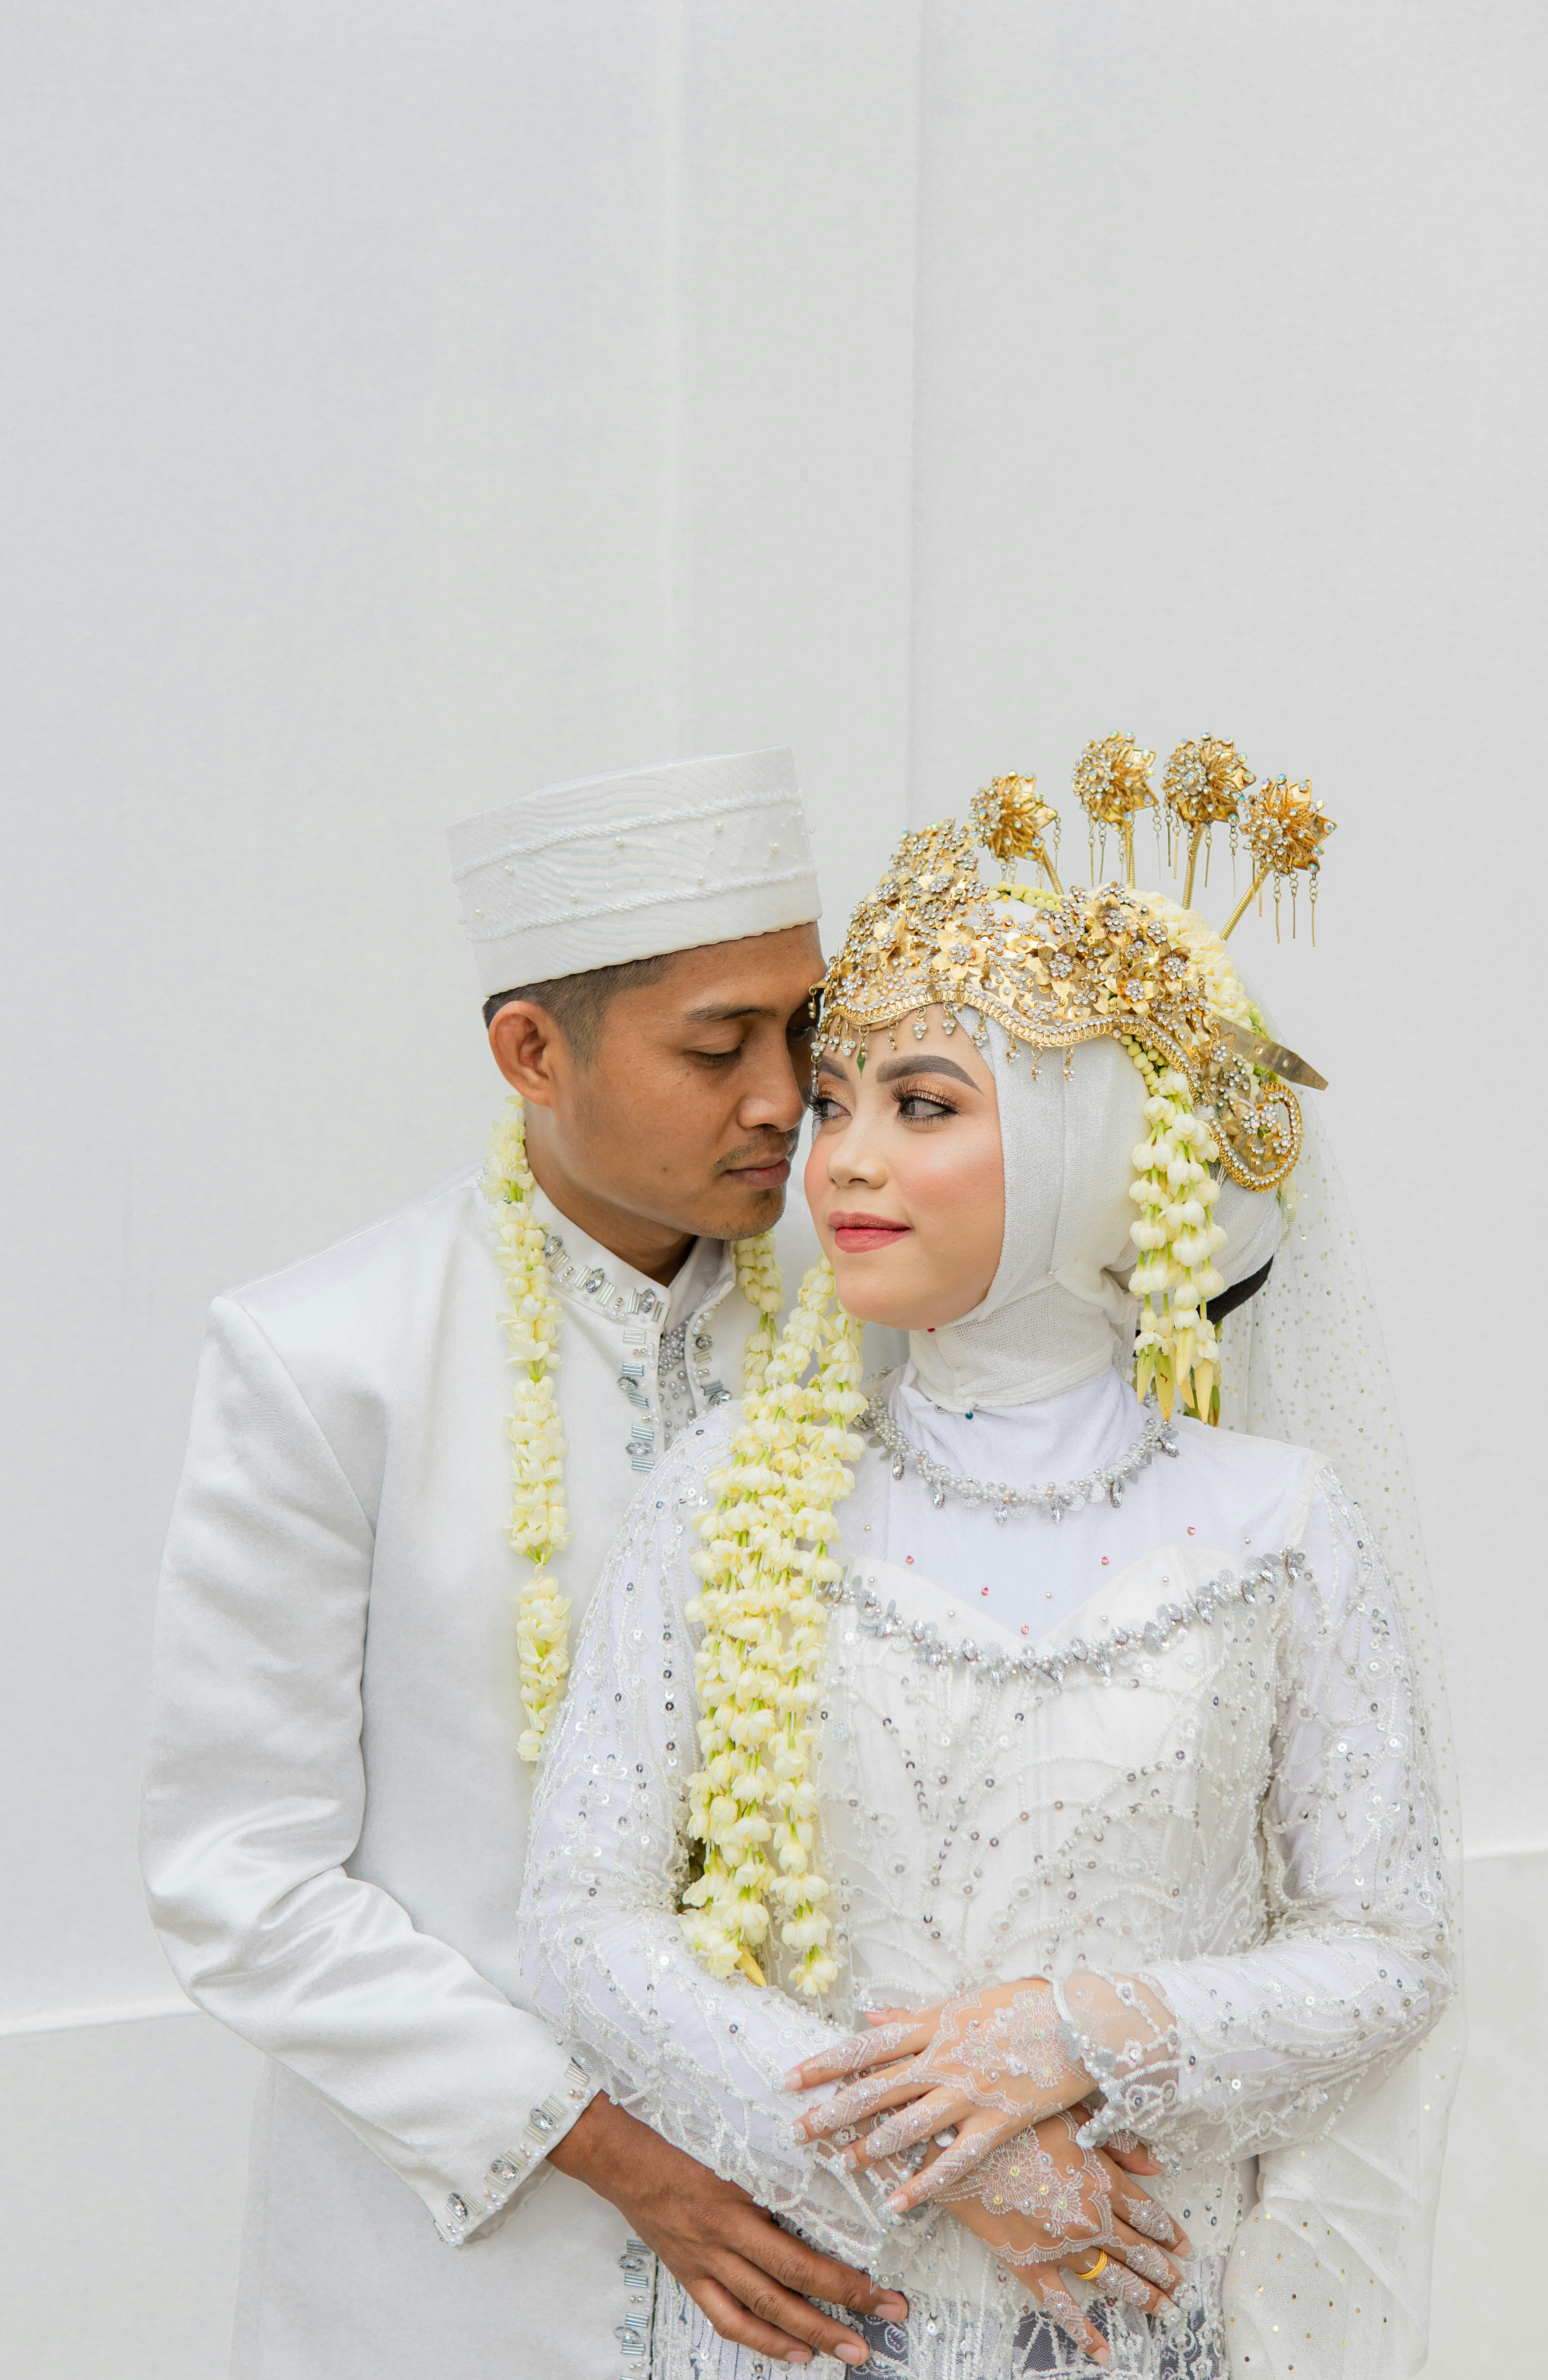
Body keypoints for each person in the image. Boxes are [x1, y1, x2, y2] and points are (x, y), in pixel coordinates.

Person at [522, 796, 1460, 2380]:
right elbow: (584, 1927)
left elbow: (1388, 1948)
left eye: (924, 1102)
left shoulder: (1275, 1525)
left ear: (1094, 1144)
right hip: (817, 2316)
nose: (847, 1159)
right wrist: (953, 2153)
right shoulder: (732, 1498)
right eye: (833, 1102)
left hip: (1140, 2315)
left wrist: (1077, 2036)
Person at [140, 750, 910, 2380]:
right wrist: (630, 2165)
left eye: (805, 1032)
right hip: (467, 2271)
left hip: (837, 2242)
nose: (784, 1097)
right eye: (718, 1046)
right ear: (530, 1051)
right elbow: (241, 1876)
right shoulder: (326, 1357)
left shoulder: (881, 1335)